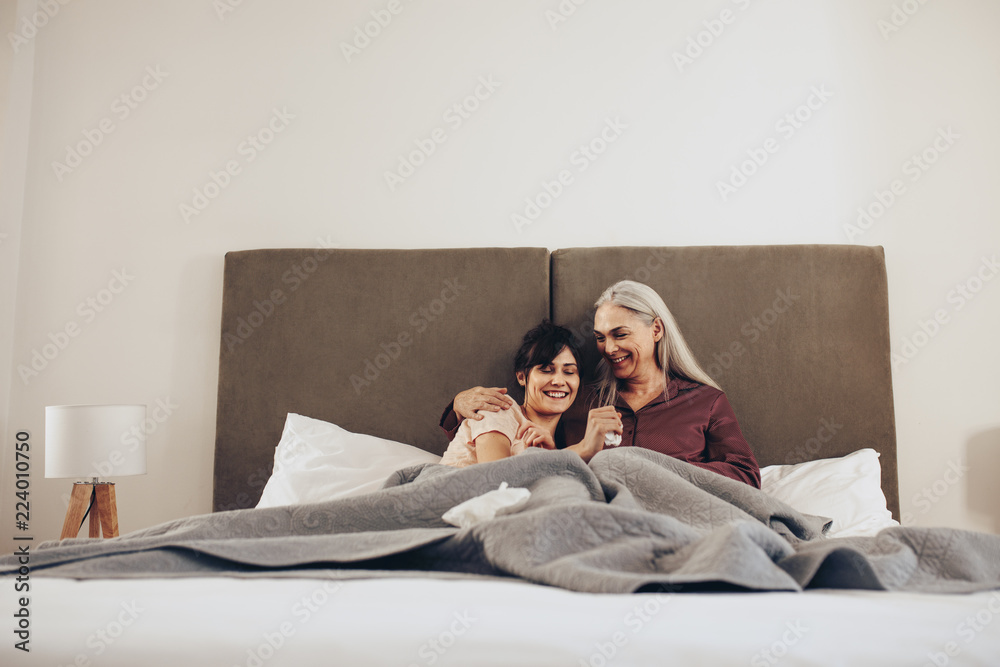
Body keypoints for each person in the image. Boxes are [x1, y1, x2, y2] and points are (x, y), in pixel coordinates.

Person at [441, 280, 760, 487]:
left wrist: (666, 471)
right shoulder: (578, 398)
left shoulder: (707, 402)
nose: (608, 349)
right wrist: (457, 407)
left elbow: (746, 476)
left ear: (656, 330)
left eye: (620, 334)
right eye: (600, 338)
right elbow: (512, 434)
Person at [440, 320, 622, 467]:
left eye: (569, 372)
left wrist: (553, 454)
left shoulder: (553, 447)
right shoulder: (499, 408)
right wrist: (583, 449)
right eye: (546, 370)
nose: (559, 381)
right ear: (521, 376)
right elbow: (496, 480)